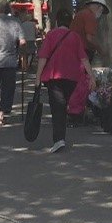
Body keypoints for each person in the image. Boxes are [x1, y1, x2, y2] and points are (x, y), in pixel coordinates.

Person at [35, 9, 94, 153]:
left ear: (56, 21)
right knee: (64, 104)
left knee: (57, 107)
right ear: (70, 23)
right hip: (72, 77)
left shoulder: (51, 35)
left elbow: (43, 57)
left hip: (53, 76)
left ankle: (59, 139)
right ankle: (60, 137)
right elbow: (83, 58)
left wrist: (38, 77)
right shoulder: (75, 37)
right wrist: (91, 76)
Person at [0, 0, 26, 125]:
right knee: (8, 88)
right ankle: (3, 112)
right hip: (10, 61)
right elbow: (23, 42)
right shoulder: (15, 22)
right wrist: (22, 55)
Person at [68, 0, 108, 119]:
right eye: (101, 12)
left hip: (74, 51)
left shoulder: (81, 14)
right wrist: (99, 48)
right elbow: (89, 38)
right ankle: (76, 111)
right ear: (98, 8)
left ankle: (75, 109)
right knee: (82, 82)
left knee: (77, 82)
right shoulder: (90, 17)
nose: (101, 15)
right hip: (82, 53)